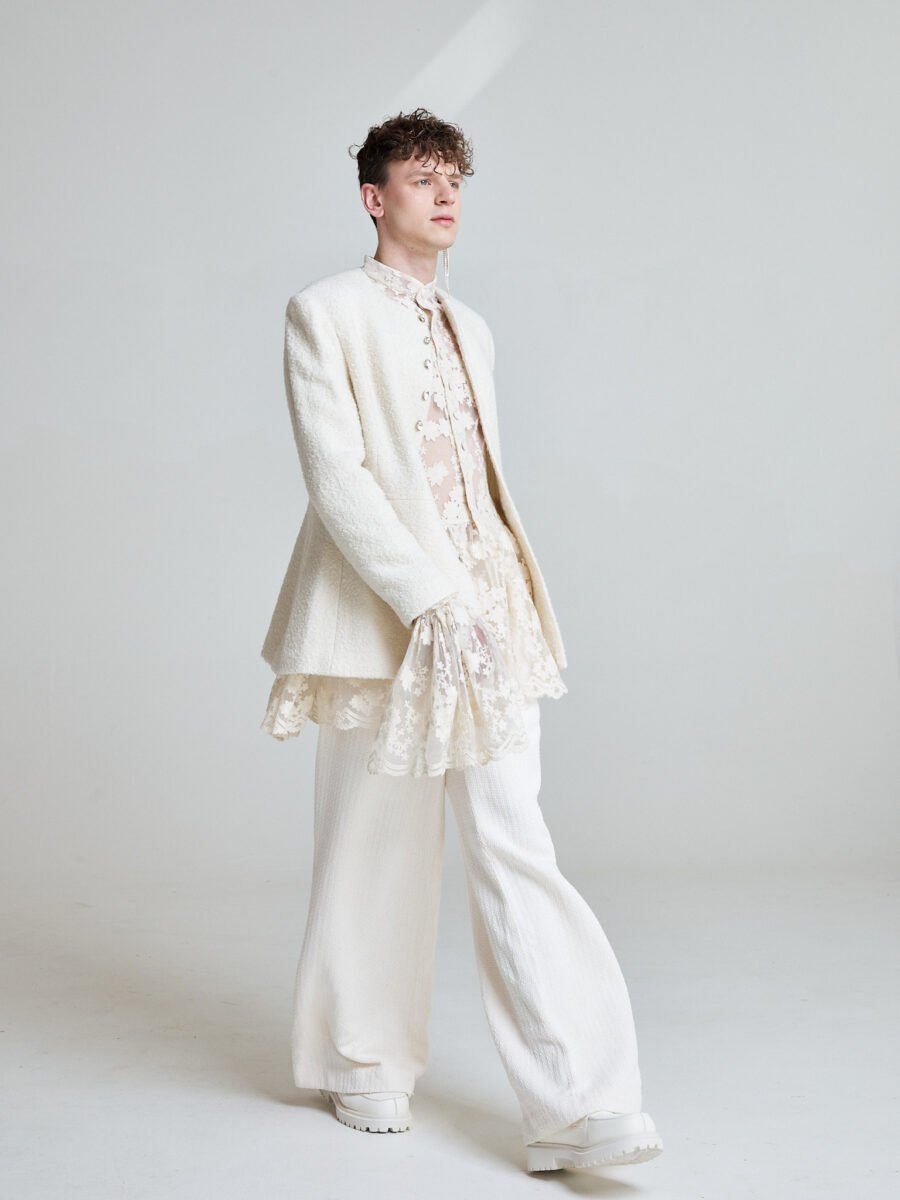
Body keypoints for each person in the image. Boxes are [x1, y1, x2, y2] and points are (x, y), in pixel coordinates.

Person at [258, 107, 664, 1174]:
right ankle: (362, 1062)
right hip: (381, 615)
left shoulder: (472, 327)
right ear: (374, 197)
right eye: (422, 178)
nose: (445, 195)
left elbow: (475, 484)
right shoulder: (324, 311)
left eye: (456, 180)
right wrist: (424, 596)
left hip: (488, 616)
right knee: (372, 844)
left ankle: (578, 1104)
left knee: (515, 838)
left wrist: (480, 600)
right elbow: (338, 479)